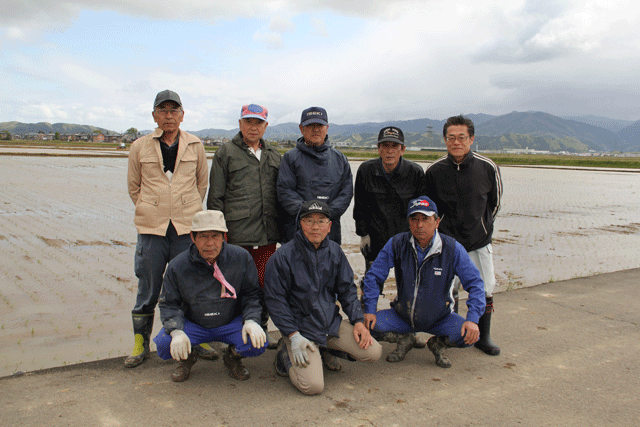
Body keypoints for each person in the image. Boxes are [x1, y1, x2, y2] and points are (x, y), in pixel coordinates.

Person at [125, 89, 216, 368]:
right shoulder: (139, 146)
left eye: (173, 110)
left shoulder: (195, 145)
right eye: (163, 110)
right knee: (149, 287)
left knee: (190, 284)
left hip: (185, 228)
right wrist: (152, 206)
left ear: (182, 115)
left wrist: (185, 207)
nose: (168, 116)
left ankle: (197, 338)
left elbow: (202, 184)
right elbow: (134, 187)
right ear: (154, 115)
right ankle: (140, 343)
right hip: (151, 228)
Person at [264, 200, 382, 395]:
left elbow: (347, 290)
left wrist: (358, 321)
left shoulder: (335, 251)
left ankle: (325, 349)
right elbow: (275, 301)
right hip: (300, 330)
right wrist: (293, 335)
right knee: (313, 386)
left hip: (330, 324)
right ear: (300, 224)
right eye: (309, 220)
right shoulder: (282, 256)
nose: (315, 226)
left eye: (321, 221)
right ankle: (285, 353)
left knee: (373, 352)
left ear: (330, 226)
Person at [362, 196, 485, 368]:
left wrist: (472, 319)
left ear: (437, 222)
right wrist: (369, 309)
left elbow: (476, 284)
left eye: (425, 219)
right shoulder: (397, 243)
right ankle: (404, 339)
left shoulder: (452, 248)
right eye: (414, 219)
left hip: (440, 318)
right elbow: (374, 276)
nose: (420, 225)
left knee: (470, 336)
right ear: (409, 222)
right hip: (402, 316)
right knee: (364, 325)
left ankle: (438, 344)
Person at [152, 210, 267, 382]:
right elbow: (168, 304)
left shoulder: (241, 258)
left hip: (229, 322)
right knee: (164, 343)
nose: (210, 243)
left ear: (224, 236)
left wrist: (251, 320)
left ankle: (232, 357)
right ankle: (187, 358)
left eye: (215, 236)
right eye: (203, 236)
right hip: (195, 324)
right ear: (192, 237)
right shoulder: (178, 266)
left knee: (258, 342)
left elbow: (252, 294)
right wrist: (176, 330)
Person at [425, 114, 503, 356]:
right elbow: (430, 207)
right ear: (445, 141)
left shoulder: (487, 167)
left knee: (485, 288)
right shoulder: (435, 171)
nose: (456, 142)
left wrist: (483, 227)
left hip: (478, 242)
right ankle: (453, 333)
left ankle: (483, 335)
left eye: (461, 137)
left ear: (471, 139)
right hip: (447, 242)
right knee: (449, 290)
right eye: (451, 138)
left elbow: (495, 204)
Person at [207, 104, 281, 344]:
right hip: (237, 236)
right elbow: (215, 198)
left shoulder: (274, 155)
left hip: (267, 237)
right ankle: (235, 337)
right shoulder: (226, 153)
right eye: (248, 121)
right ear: (240, 124)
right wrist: (219, 236)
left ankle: (261, 330)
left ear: (265, 126)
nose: (253, 127)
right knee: (235, 287)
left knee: (264, 284)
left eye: (258, 123)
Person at [353, 126, 427, 361]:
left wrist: (419, 237)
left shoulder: (415, 172)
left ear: (403, 149)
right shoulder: (366, 170)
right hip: (376, 240)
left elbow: (421, 209)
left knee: (409, 288)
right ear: (378, 148)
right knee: (372, 284)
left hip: (406, 241)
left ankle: (409, 333)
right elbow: (360, 205)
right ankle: (367, 328)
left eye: (394, 146)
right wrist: (362, 234)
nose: (389, 150)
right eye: (384, 145)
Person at [276, 107, 353, 244]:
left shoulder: (340, 159)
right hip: (296, 231)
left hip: (330, 230)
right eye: (310, 125)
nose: (315, 129)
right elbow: (285, 191)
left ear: (327, 127)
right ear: (301, 128)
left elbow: (346, 192)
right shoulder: (290, 158)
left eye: (320, 125)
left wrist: (325, 215)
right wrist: (309, 216)